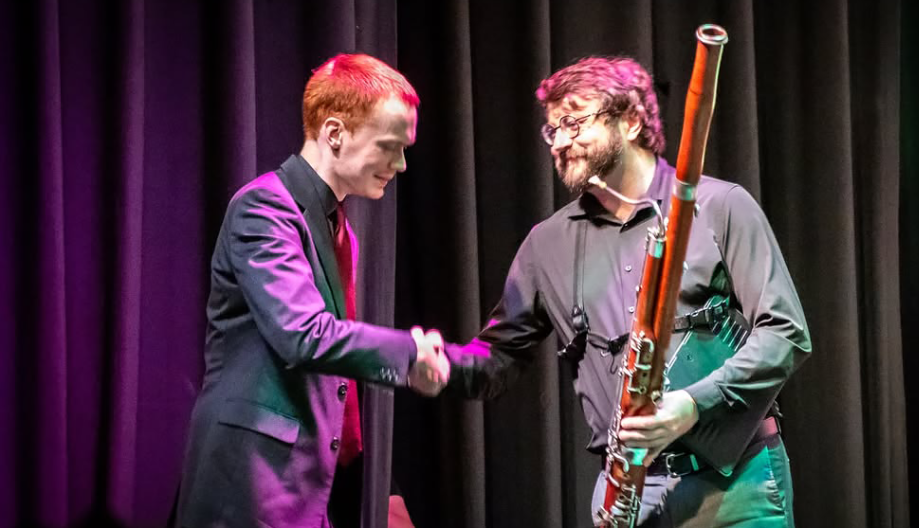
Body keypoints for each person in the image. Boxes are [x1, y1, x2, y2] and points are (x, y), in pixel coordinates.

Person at [444, 56, 811, 527]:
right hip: (627, 496)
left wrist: (693, 405)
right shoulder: (546, 245)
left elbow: (786, 333)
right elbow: (496, 358)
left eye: (573, 123)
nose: (559, 142)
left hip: (736, 486)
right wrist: (429, 363)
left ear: (632, 121)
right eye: (552, 130)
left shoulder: (720, 206)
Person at [175, 53, 449, 528]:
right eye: (390, 147)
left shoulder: (341, 231)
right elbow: (303, 334)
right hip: (252, 480)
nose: (401, 165)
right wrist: (409, 352)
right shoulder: (264, 208)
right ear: (334, 132)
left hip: (310, 485)